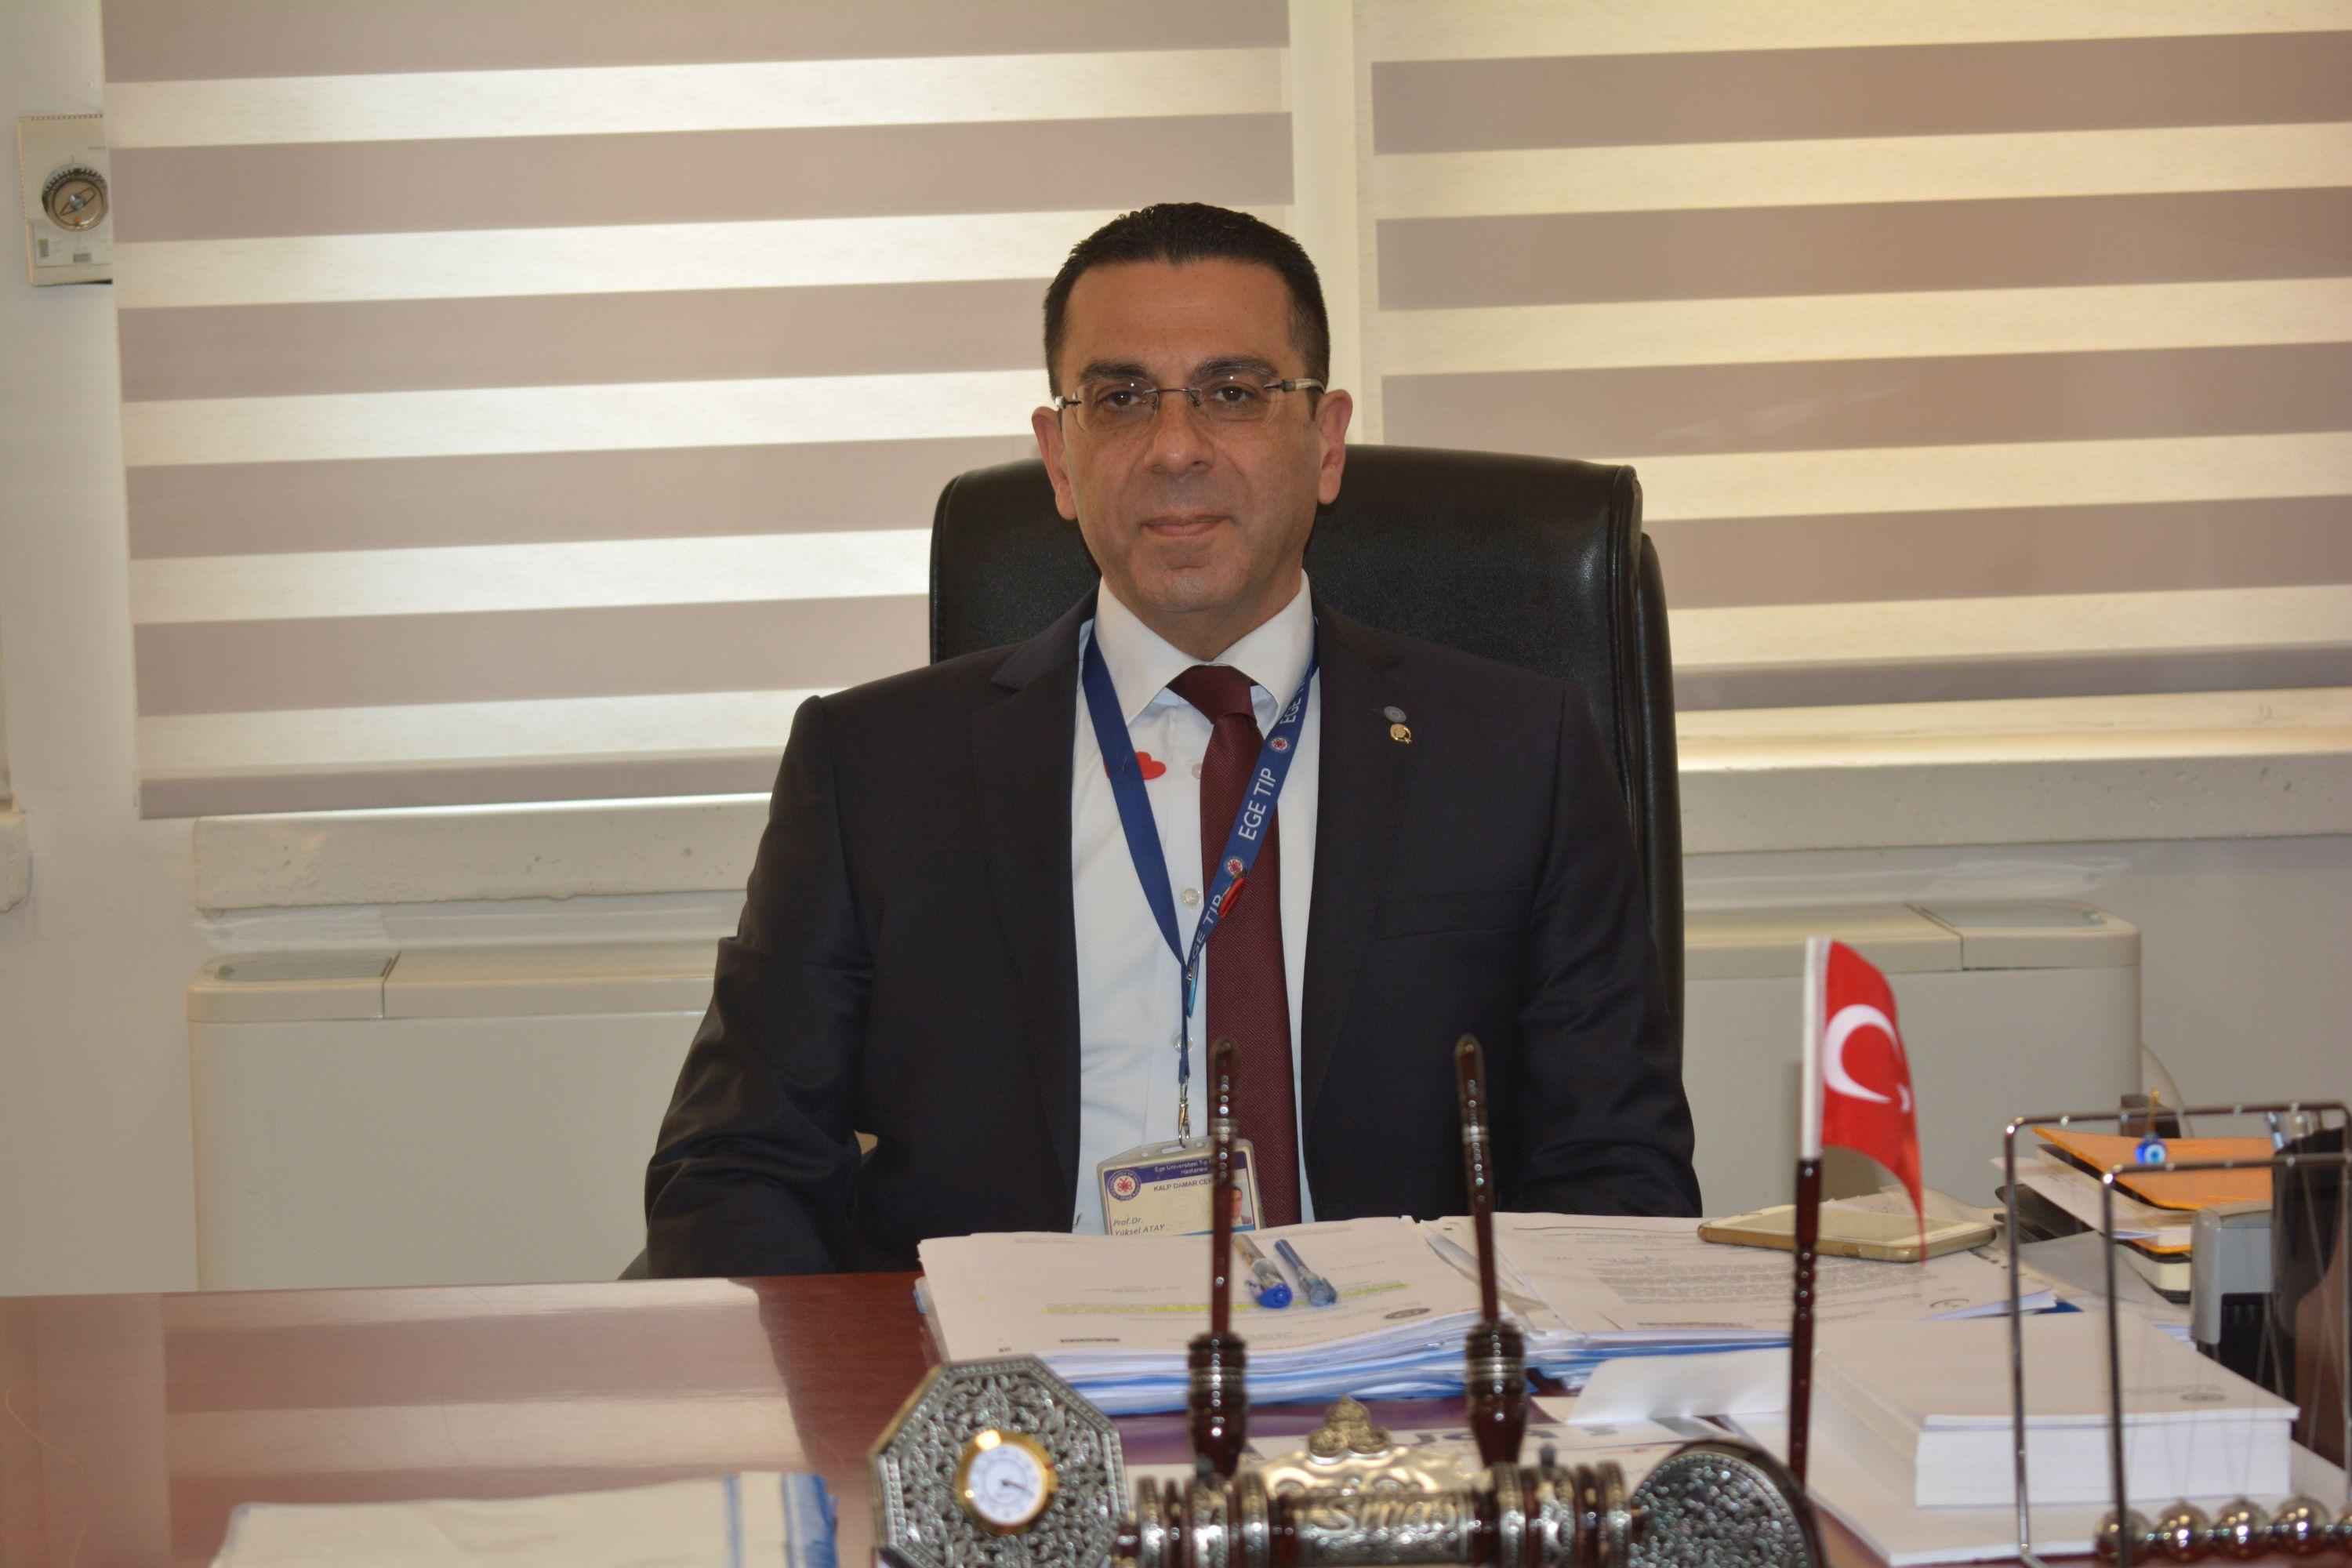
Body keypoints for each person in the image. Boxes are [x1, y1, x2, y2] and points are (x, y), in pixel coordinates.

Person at [645, 203, 1698, 1276]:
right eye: (1121, 399)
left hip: (1391, 1367)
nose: (1177, 447)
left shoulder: (1515, 757)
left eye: (1233, 393)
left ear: (1326, 442)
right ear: (1060, 458)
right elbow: (736, 1170)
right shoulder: (873, 769)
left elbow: (1618, 1173)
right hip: (1001, 1367)